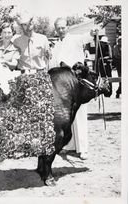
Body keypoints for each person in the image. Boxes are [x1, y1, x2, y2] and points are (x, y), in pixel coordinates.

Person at [50, 17, 95, 160]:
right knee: (68, 116)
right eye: (58, 28)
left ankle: (83, 149)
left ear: (67, 27)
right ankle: (69, 146)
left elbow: (85, 37)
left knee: (80, 114)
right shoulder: (56, 44)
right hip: (64, 86)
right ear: (56, 29)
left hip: (77, 82)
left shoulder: (75, 38)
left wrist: (92, 33)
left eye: (63, 27)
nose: (61, 30)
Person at [0, 22, 21, 93]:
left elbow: (14, 65)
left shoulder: (16, 49)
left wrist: (5, 62)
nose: (7, 35)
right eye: (4, 32)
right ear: (0, 34)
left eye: (9, 32)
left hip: (8, 81)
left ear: (13, 34)